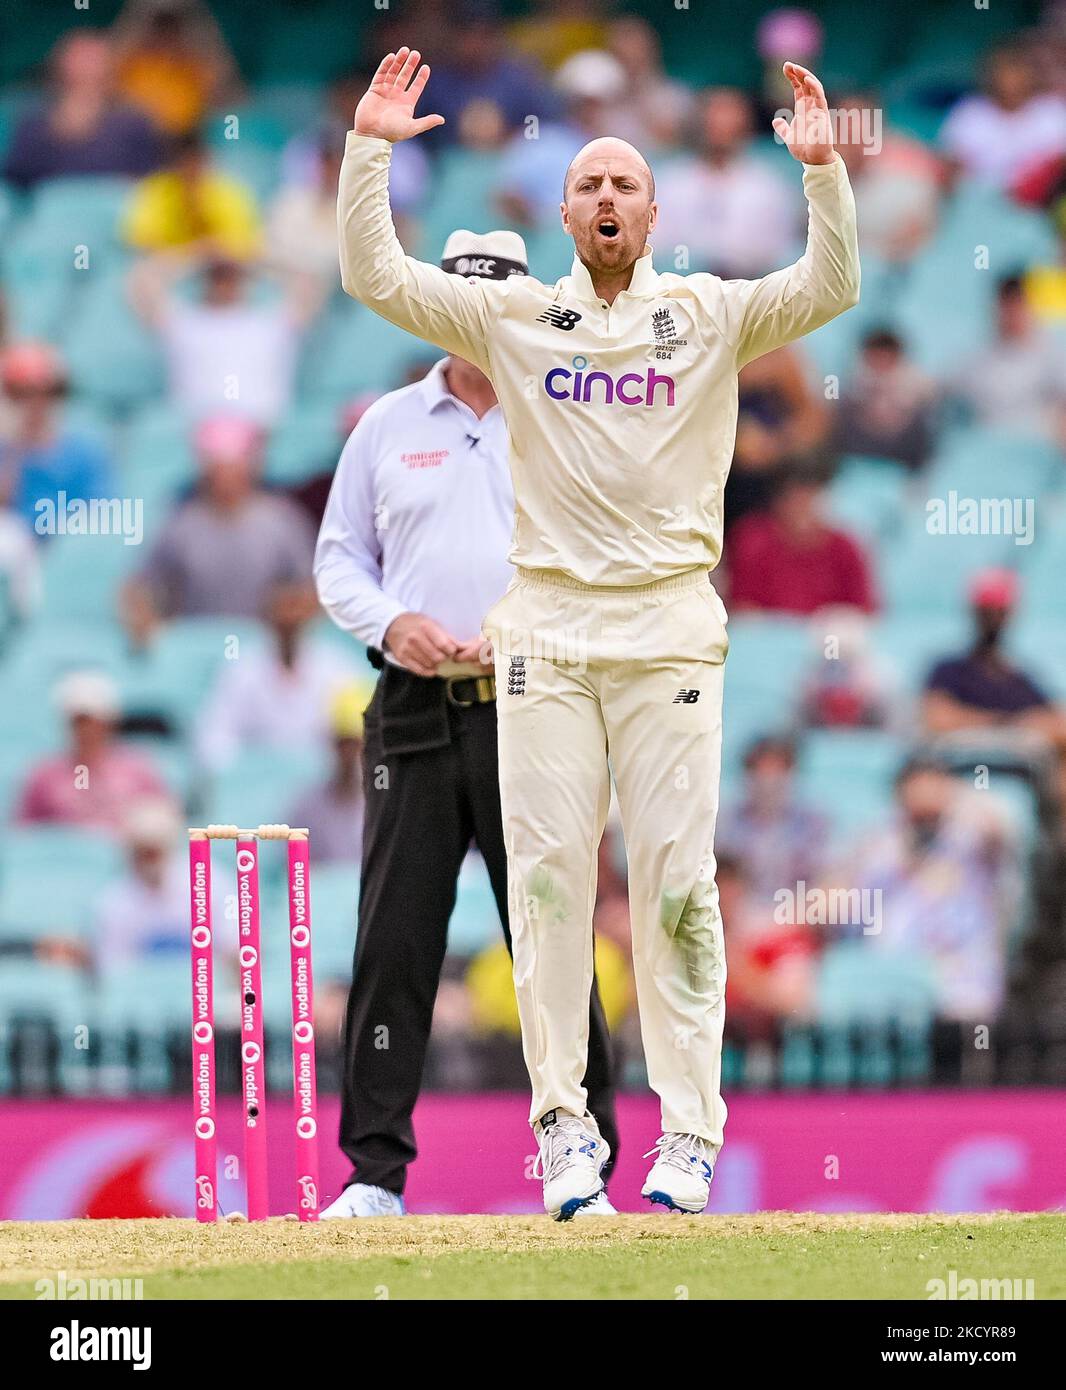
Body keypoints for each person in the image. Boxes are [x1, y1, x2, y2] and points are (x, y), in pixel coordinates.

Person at [338, 46, 858, 1218]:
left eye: (627, 182)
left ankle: (686, 1136)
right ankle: (565, 1132)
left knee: (677, 885)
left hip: (670, 628)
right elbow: (375, 275)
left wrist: (823, 174)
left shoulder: (706, 312)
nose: (609, 198)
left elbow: (828, 291)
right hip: (550, 634)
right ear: (566, 211)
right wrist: (369, 148)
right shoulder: (517, 316)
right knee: (553, 886)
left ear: (654, 209)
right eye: (589, 186)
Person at [314, 230, 619, 1217]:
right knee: (394, 941)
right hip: (410, 708)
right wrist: (390, 622)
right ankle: (372, 1176)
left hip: (532, 702)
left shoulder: (564, 419)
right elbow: (337, 560)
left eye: (496, 301)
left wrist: (526, 630)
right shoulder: (387, 423)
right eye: (461, 300)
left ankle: (583, 1164)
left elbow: (608, 562)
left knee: (551, 937)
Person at [125, 415, 315, 625]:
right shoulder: (180, 524)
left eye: (233, 467)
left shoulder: (283, 522)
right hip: (190, 645)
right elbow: (140, 588)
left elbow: (309, 589)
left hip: (261, 649)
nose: (226, 477)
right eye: (220, 468)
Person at [128, 251, 322, 426]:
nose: (223, 285)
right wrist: (202, 253)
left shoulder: (272, 323)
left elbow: (310, 283)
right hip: (198, 426)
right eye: (217, 278)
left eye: (230, 278)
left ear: (245, 281)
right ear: (204, 281)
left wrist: (248, 256)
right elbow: (142, 281)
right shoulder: (184, 323)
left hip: (263, 426)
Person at [195, 580, 358, 771]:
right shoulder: (243, 670)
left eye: (296, 615)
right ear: (269, 618)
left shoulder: (339, 669)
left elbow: (354, 740)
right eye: (283, 616)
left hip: (321, 784)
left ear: (310, 618)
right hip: (257, 782)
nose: (289, 623)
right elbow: (213, 739)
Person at [1, 30, 163, 189]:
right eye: (83, 58)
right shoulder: (33, 126)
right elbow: (13, 183)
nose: (89, 66)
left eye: (96, 59)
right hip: (49, 208)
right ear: (61, 66)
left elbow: (151, 181)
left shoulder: (133, 124)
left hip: (114, 205)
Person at [16, 672, 169, 832]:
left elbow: (163, 826)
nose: (86, 730)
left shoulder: (139, 770)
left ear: (109, 723)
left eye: (93, 722)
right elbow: (24, 833)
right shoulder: (44, 776)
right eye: (78, 722)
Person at [727, 464, 877, 616]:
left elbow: (864, 610)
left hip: (827, 636)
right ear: (779, 502)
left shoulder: (845, 547)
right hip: (770, 635)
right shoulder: (753, 542)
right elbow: (742, 607)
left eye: (810, 499)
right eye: (795, 501)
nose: (803, 509)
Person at [0, 343, 112, 534]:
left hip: (69, 544)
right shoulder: (6, 451)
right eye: (20, 393)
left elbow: (104, 514)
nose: (33, 403)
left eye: (43, 392)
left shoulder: (83, 452)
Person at [123, 129, 261, 259]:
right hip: (174, 267)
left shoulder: (230, 192)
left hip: (219, 269)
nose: (192, 172)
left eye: (196, 164)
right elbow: (143, 243)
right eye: (186, 165)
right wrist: (191, 251)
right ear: (174, 165)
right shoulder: (156, 192)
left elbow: (244, 246)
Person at [288, 683, 374, 865]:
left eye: (358, 744)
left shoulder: (389, 808)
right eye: (344, 744)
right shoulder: (307, 810)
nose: (351, 754)